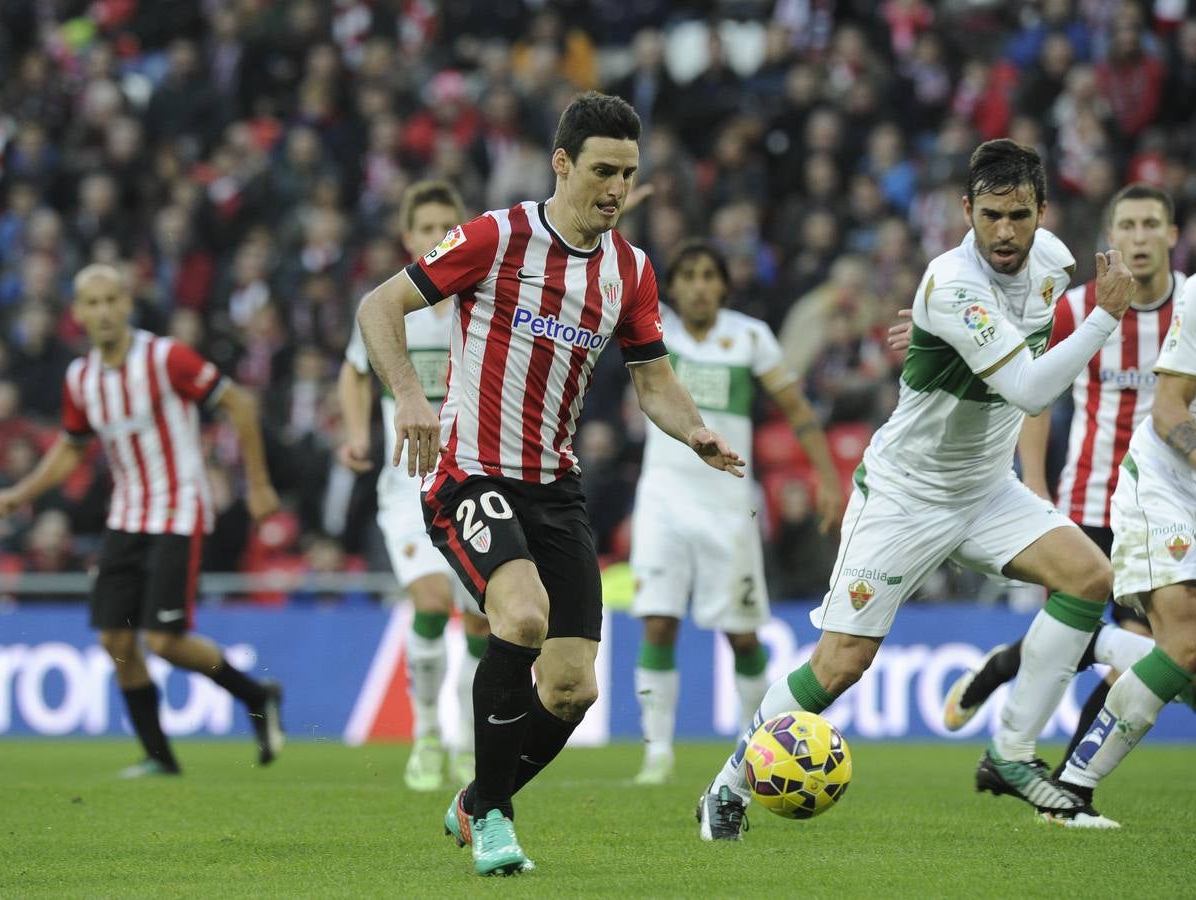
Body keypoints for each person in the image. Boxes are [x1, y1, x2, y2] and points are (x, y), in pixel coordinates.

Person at [696, 138, 1136, 840]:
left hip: (986, 490)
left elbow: (1029, 336)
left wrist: (940, 340)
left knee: (1088, 578)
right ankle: (726, 787)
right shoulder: (951, 281)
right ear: (965, 209)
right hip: (905, 495)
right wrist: (1103, 318)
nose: (1003, 231)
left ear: (1041, 212)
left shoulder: (1052, 262)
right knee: (841, 665)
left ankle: (1013, 754)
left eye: (1018, 215)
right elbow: (1025, 386)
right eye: (989, 215)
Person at [355, 91, 744, 876]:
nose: (615, 188)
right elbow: (378, 305)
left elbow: (654, 381)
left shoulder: (630, 271)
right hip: (470, 475)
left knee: (571, 690)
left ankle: (475, 800)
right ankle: (496, 821)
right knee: (522, 616)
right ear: (562, 164)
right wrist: (406, 396)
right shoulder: (498, 238)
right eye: (602, 170)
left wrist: (694, 426)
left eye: (628, 174)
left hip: (554, 488)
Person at [0, 264, 283, 777]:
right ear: (77, 314)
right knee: (115, 640)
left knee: (164, 641)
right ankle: (159, 757)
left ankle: (257, 695)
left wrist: (257, 484)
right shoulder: (80, 379)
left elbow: (239, 403)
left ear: (126, 305)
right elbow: (73, 449)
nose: (102, 312)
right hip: (125, 515)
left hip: (177, 512)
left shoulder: (167, 358)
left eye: (110, 301)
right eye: (91, 304)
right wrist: (20, 493)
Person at [932, 185, 1190, 769]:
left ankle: (1061, 772)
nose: (1140, 237)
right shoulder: (1078, 307)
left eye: (1152, 224)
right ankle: (1008, 677)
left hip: (1164, 507)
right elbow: (1035, 394)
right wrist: (1038, 486)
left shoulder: (1191, 312)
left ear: (1173, 235)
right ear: (1111, 237)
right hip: (1087, 498)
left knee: (1138, 655)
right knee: (1074, 638)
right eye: (1127, 225)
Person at [630, 238, 844, 785]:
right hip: (663, 501)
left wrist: (826, 478)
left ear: (723, 285)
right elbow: (602, 272)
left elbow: (797, 411)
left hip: (728, 507)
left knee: (743, 635)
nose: (699, 284)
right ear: (672, 286)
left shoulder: (750, 336)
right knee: (658, 622)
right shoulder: (654, 331)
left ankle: (755, 747)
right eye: (689, 275)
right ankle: (656, 753)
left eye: (709, 275)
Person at [339, 179, 491, 791]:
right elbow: (353, 374)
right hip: (406, 484)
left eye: (443, 228)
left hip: (471, 482)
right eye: (423, 228)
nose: (434, 237)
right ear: (408, 238)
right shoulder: (389, 307)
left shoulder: (479, 303)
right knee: (430, 603)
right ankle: (426, 735)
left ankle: (467, 741)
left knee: (480, 623)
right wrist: (355, 432)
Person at [1053, 277, 1196, 822]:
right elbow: (1167, 409)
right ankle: (1071, 793)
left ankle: (1105, 644)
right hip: (1168, 485)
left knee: (1188, 663)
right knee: (1184, 645)